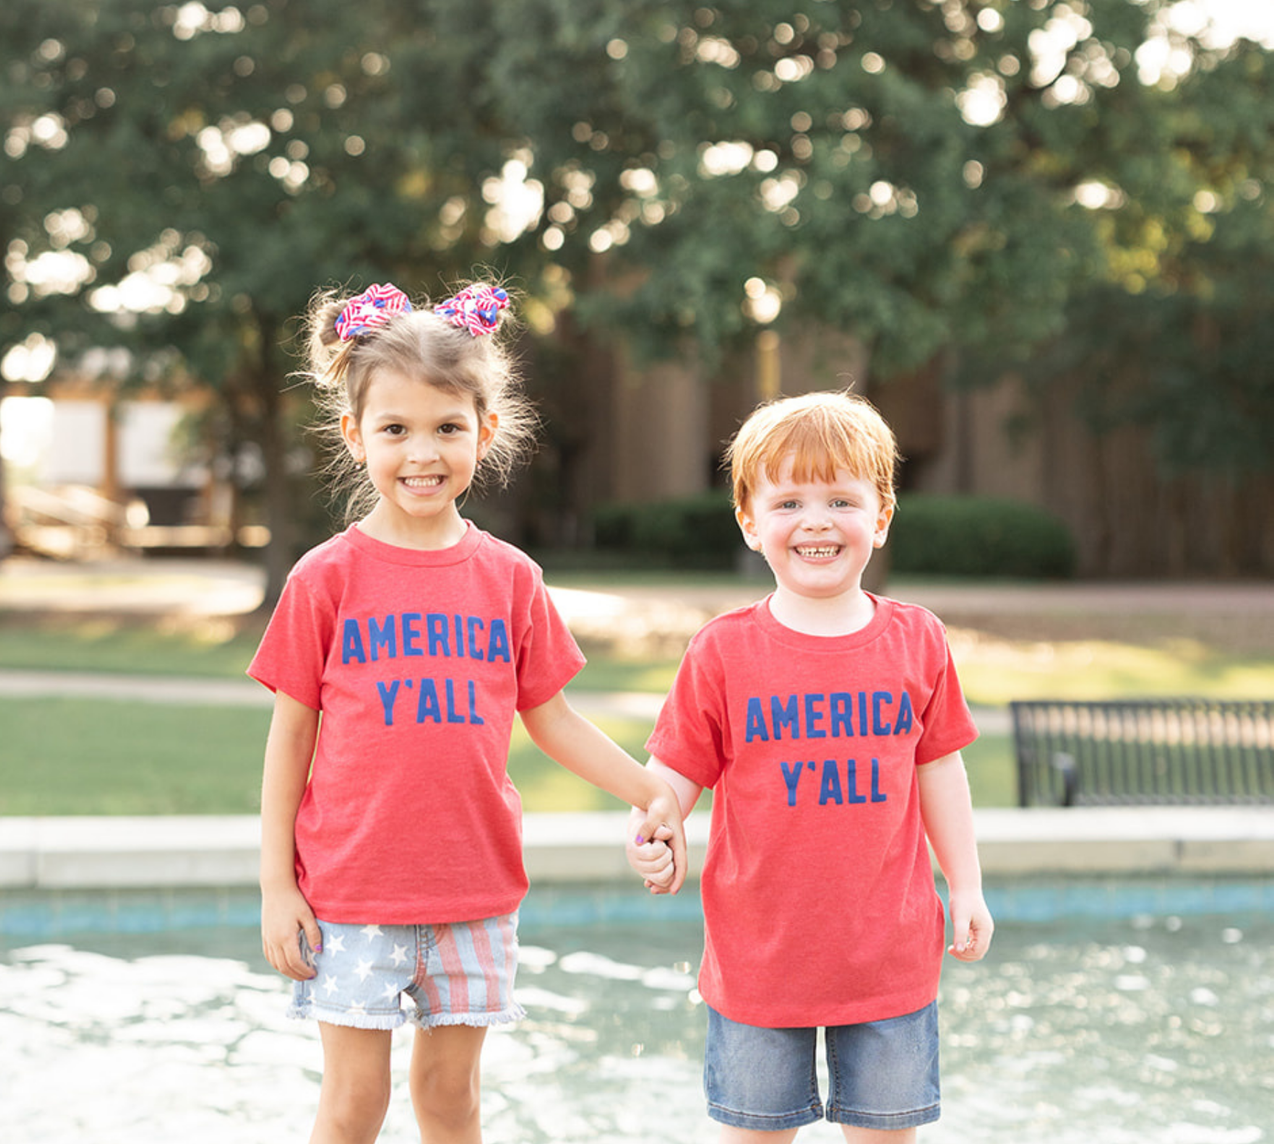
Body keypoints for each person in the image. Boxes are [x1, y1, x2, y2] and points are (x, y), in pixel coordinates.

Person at [250, 279, 687, 1144]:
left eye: (448, 427)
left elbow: (551, 717)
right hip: (350, 892)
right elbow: (289, 736)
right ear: (354, 434)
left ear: (485, 433)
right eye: (396, 428)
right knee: (352, 1105)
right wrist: (275, 885)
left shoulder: (510, 578)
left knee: (452, 1101)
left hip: (474, 893)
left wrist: (648, 789)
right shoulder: (324, 579)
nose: (424, 451)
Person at [627, 389, 993, 1144]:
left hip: (888, 954)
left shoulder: (917, 641)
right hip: (758, 956)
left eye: (841, 498)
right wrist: (652, 829)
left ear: (881, 517)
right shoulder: (722, 651)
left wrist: (966, 885)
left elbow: (939, 772)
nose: (817, 519)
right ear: (750, 522)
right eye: (788, 499)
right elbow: (672, 774)